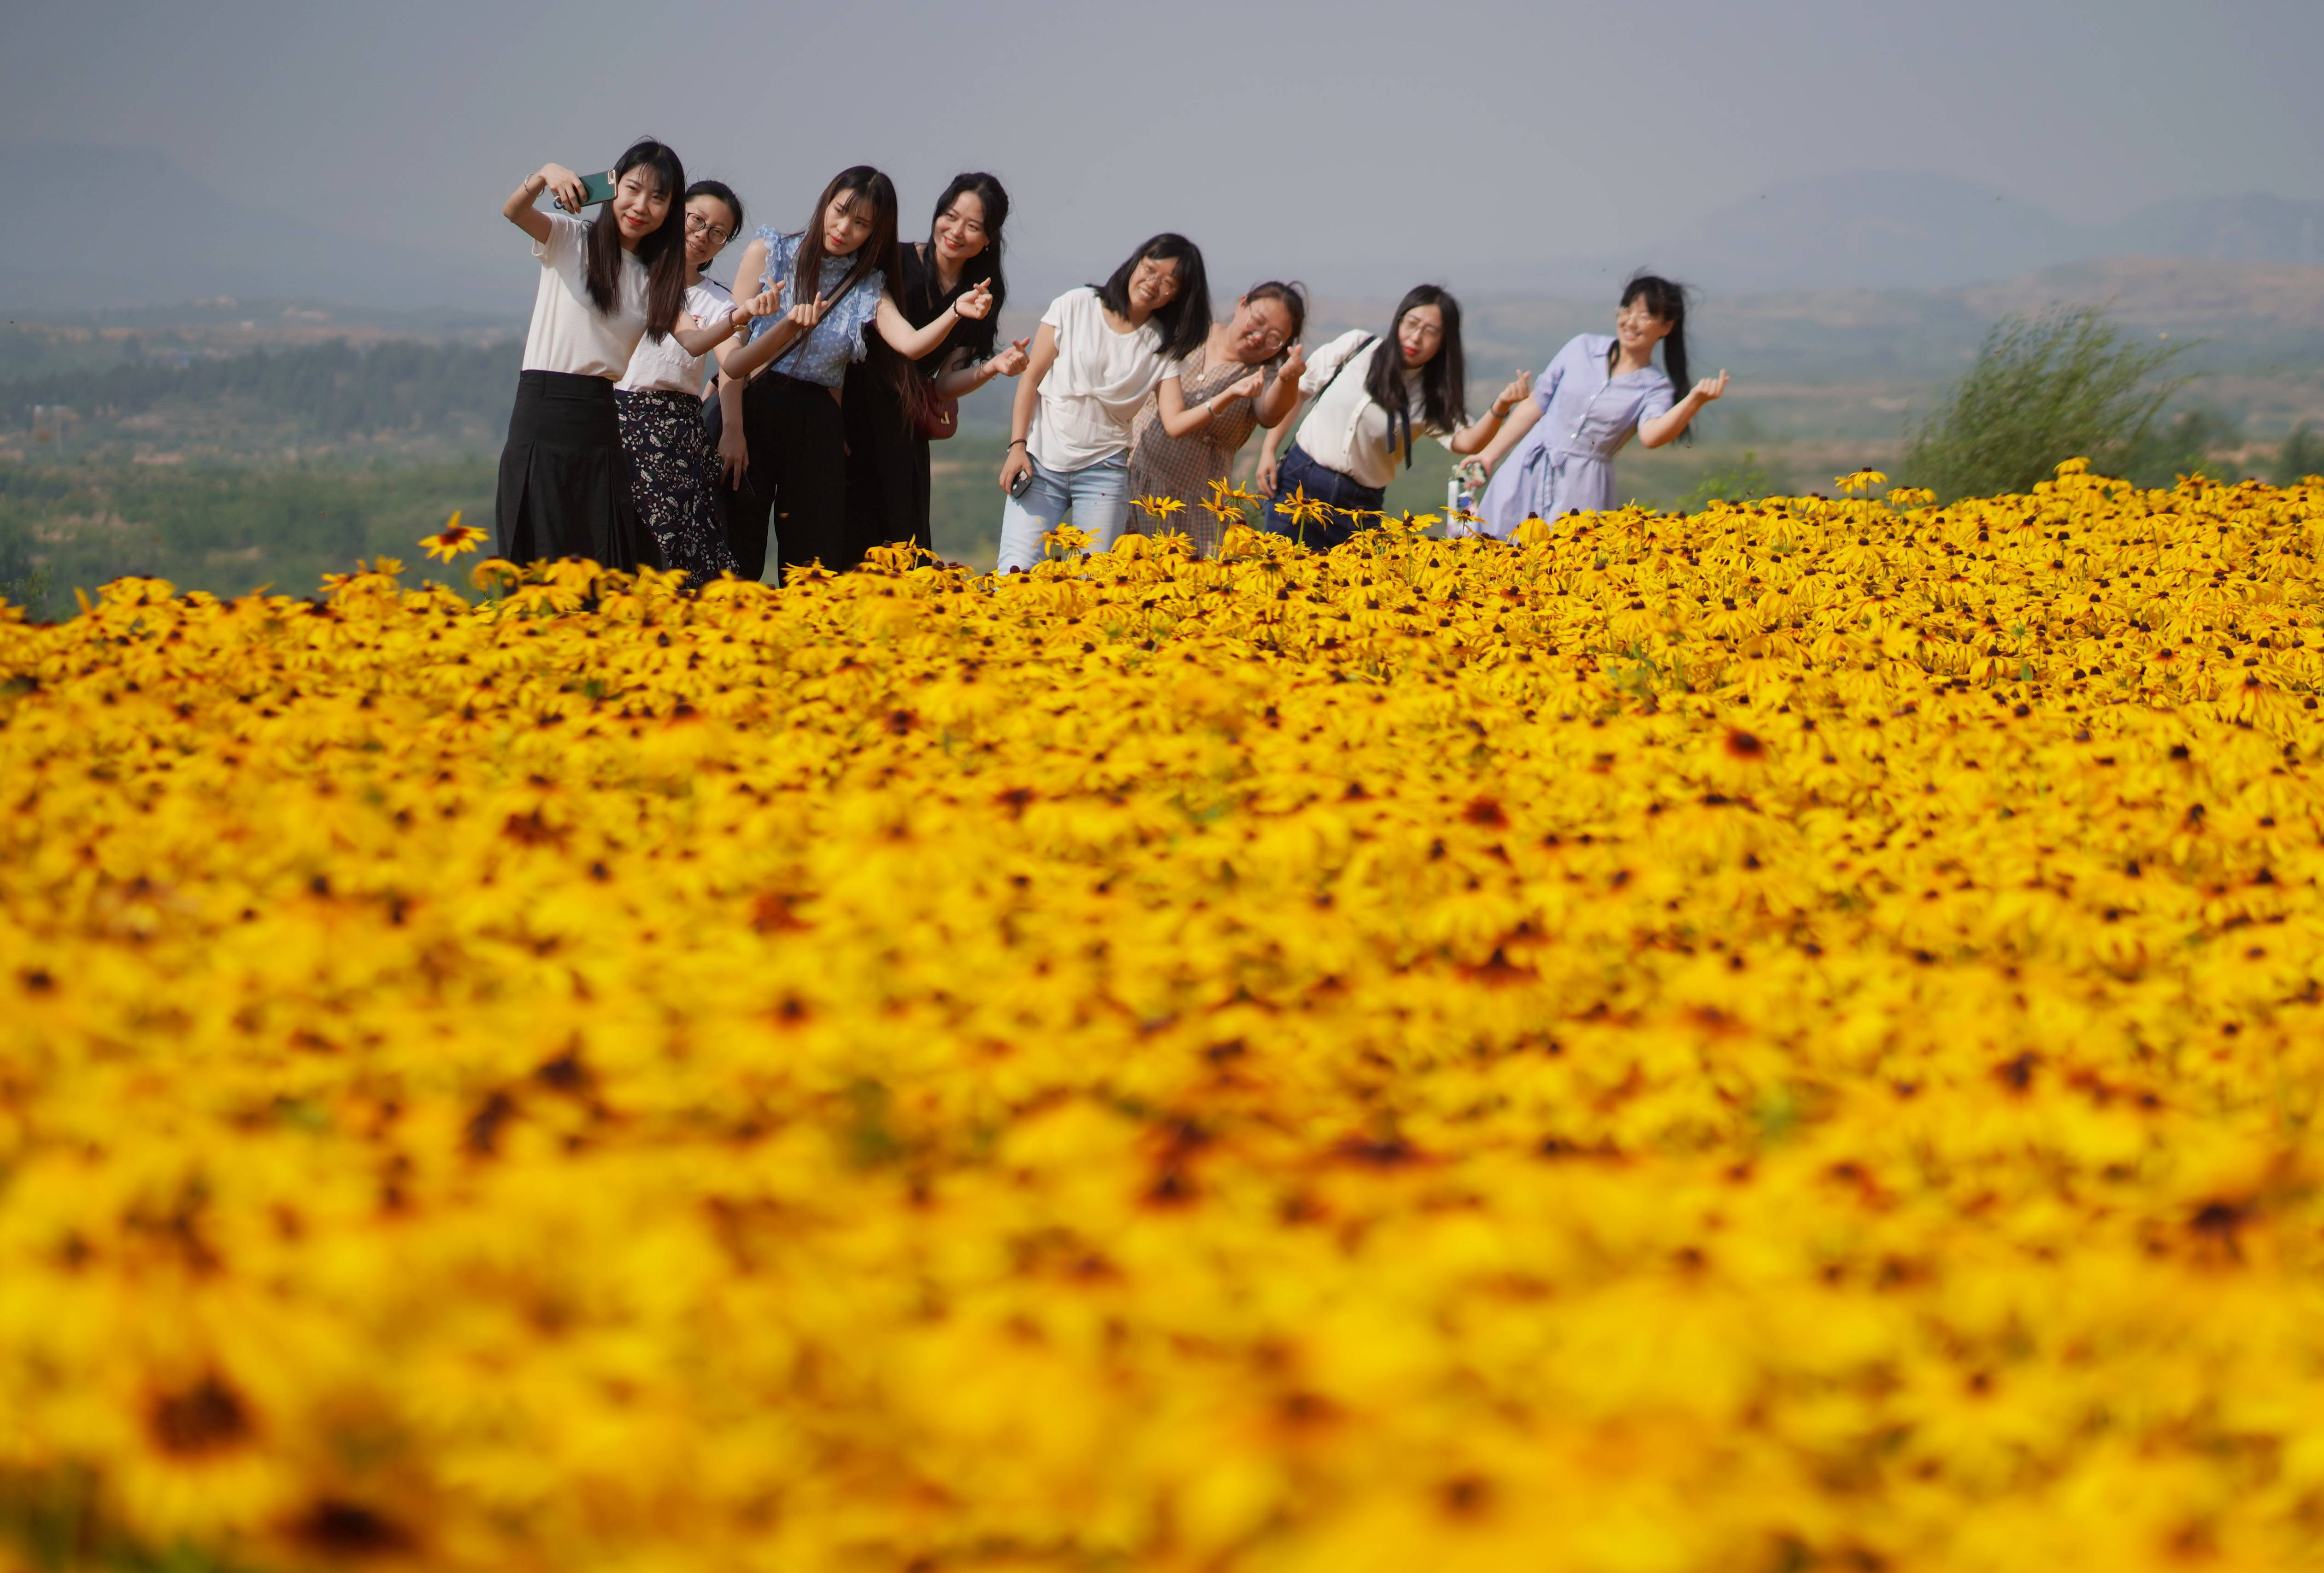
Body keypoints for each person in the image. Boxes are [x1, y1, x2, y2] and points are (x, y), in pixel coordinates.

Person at [495, 141, 775, 571]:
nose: (641, 206)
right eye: (633, 189)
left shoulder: (654, 277)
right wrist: (545, 173)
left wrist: (743, 315)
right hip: (544, 406)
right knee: (539, 552)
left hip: (603, 416)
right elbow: (514, 213)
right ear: (613, 187)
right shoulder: (572, 238)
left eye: (658, 198)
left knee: (601, 558)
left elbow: (695, 343)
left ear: (668, 211)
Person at [710, 166, 994, 583]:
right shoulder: (769, 253)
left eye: (861, 224)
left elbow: (912, 344)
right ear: (827, 202)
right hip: (750, 411)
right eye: (840, 211)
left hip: (816, 424)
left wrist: (955, 311)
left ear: (875, 232)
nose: (844, 229)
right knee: (735, 554)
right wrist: (731, 429)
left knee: (811, 563)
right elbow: (729, 351)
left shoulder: (866, 286)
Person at [995, 234, 1211, 574]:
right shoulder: (1075, 304)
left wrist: (1229, 396)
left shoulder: (1164, 347)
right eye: (1150, 270)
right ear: (1136, 263)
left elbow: (1174, 422)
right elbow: (1031, 378)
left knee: (1094, 582)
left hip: (1102, 472)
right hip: (1039, 460)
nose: (1154, 284)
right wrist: (1017, 447)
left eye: (1169, 282)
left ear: (1180, 295)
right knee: (1014, 573)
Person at [1253, 285, 1528, 551]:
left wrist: (1500, 407)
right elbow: (1299, 391)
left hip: (1358, 507)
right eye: (1412, 323)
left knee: (1346, 595)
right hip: (1298, 484)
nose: (1416, 337)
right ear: (1399, 320)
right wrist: (1268, 450)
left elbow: (1467, 442)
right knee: (1279, 582)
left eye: (1430, 331)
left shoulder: (1433, 396)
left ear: (1444, 342)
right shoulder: (1357, 347)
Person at [844, 174, 1031, 561]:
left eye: (973, 226)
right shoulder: (893, 260)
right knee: (846, 540)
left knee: (901, 548)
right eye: (951, 216)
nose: (956, 231)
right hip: (851, 409)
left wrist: (994, 366)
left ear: (989, 238)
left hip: (903, 426)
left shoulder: (982, 291)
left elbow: (944, 385)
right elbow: (903, 345)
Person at [1466, 274, 1729, 538]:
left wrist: (1694, 401)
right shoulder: (1581, 348)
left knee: (1565, 564)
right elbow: (1537, 403)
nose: (1631, 322)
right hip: (1527, 466)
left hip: (1582, 487)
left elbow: (1651, 436)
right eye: (1627, 310)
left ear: (1666, 327)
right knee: (1493, 547)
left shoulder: (1655, 386)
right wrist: (1490, 454)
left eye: (1645, 315)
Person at [612, 178, 753, 582]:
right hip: (613, 415)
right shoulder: (629, 273)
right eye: (696, 220)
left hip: (676, 430)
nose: (702, 236)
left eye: (718, 233)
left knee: (674, 553)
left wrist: (733, 430)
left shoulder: (719, 301)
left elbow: (733, 366)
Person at [1124, 282, 1307, 556]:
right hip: (1131, 479)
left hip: (1196, 509)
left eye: (1274, 338)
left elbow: (1270, 413)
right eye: (1258, 321)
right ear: (1242, 303)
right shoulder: (1189, 332)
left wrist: (1288, 378)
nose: (1259, 336)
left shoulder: (1261, 376)